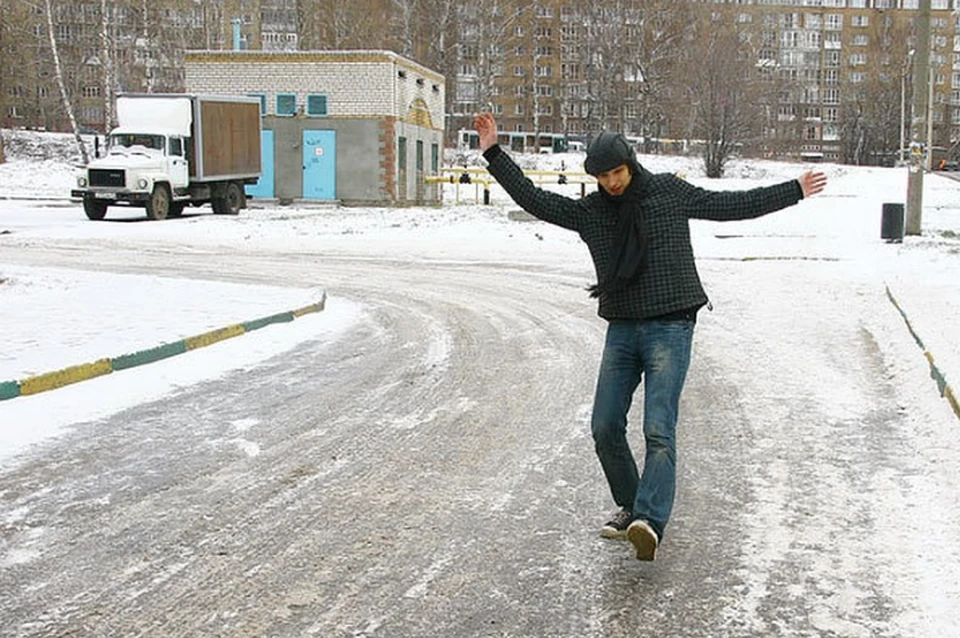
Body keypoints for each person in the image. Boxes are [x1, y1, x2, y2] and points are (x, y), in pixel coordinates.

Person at [473, 112, 827, 561]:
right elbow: (534, 198)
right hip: (622, 327)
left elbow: (730, 205)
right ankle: (632, 504)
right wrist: (493, 153)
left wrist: (792, 190)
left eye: (617, 172)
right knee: (604, 426)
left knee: (659, 428)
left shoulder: (668, 192)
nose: (612, 182)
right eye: (603, 176)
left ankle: (649, 520)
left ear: (631, 164)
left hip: (671, 324)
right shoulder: (591, 214)